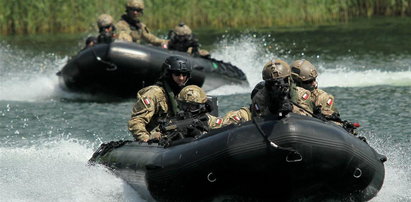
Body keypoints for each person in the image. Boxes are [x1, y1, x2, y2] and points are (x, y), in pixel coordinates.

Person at [128, 55, 192, 142]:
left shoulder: (185, 95)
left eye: (184, 74)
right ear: (168, 74)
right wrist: (146, 138)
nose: (181, 78)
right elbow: (136, 121)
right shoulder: (154, 93)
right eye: (177, 74)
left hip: (176, 136)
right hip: (155, 140)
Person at [290, 59, 360, 134]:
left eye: (314, 80)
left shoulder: (321, 97)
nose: (314, 84)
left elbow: (333, 125)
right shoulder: (287, 92)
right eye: (309, 82)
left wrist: (321, 117)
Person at [155, 85, 224, 145]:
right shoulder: (173, 122)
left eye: (193, 107)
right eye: (184, 106)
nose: (187, 110)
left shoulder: (209, 120)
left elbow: (229, 124)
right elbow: (157, 134)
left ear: (201, 107)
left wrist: (199, 132)